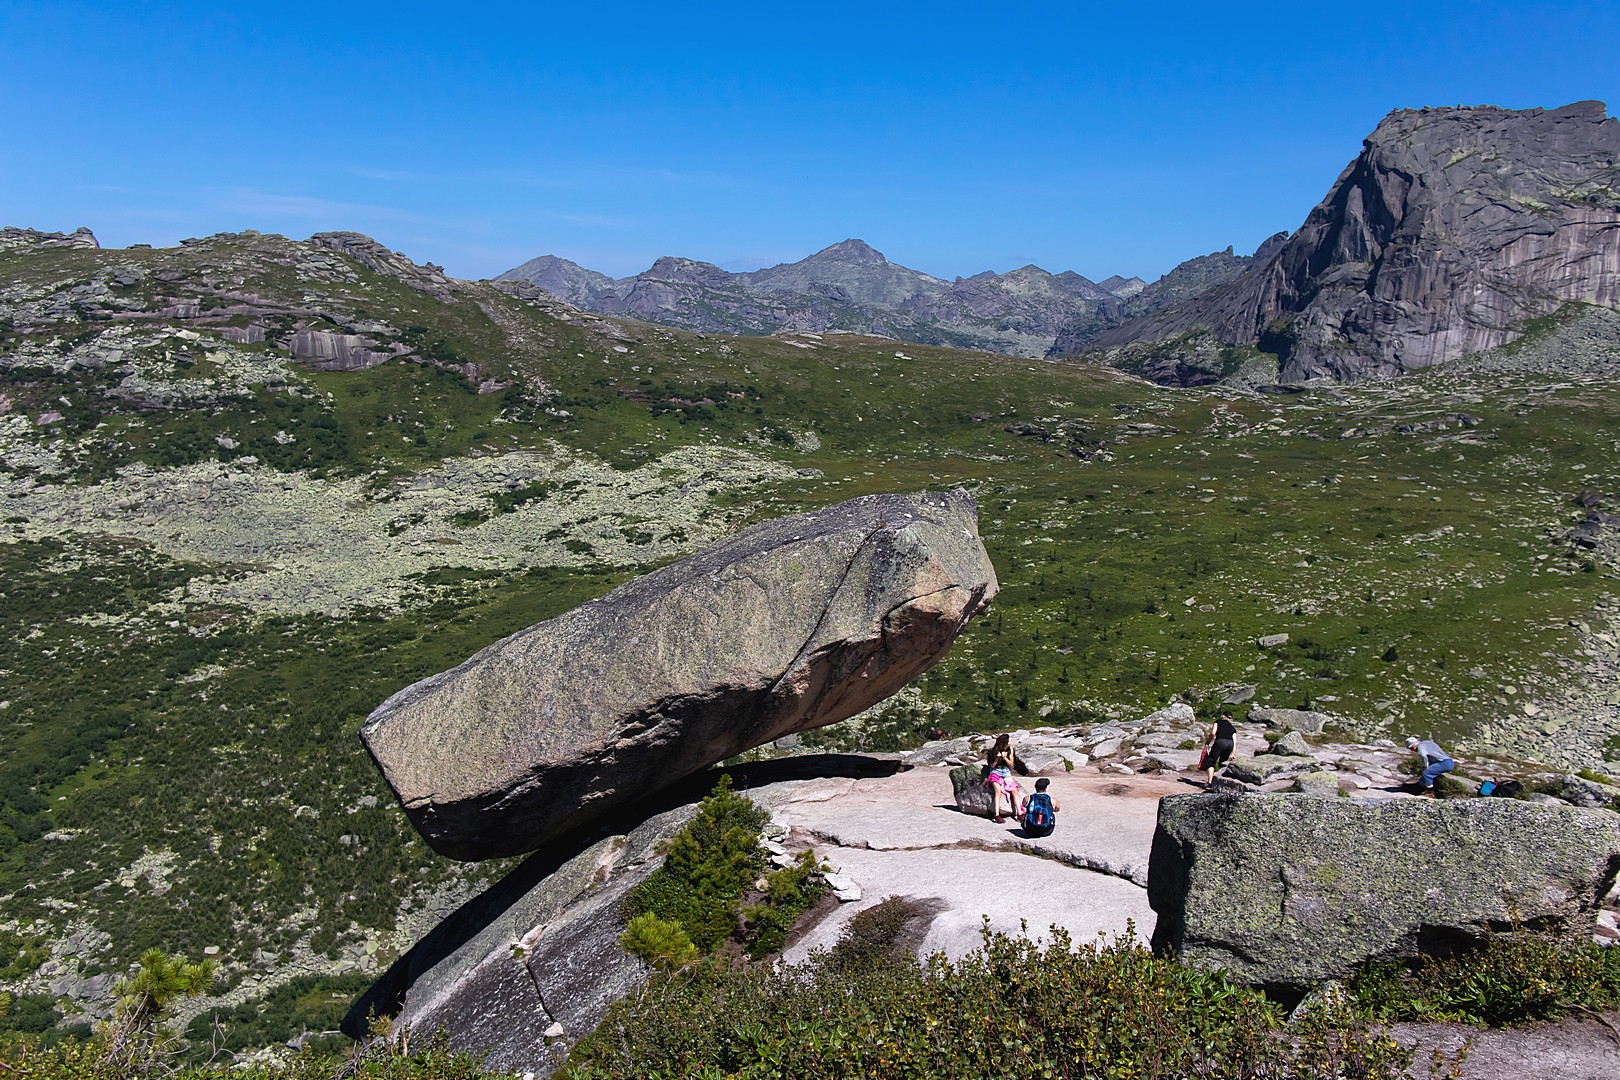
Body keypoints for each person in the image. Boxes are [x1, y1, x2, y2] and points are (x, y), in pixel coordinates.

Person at [984, 733, 1021, 823]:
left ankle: (1020, 814)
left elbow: (1011, 766)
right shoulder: (993, 751)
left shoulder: (1010, 750)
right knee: (998, 791)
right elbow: (992, 766)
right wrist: (997, 758)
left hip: (1006, 771)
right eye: (1009, 741)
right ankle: (997, 814)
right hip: (996, 771)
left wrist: (1005, 758)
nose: (1011, 742)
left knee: (1014, 790)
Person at [1204, 710, 1237, 786]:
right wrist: (1233, 753)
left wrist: (1208, 742)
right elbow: (1235, 741)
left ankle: (1210, 782)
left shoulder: (1218, 722)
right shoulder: (1232, 728)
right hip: (1230, 744)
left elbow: (1213, 733)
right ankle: (1220, 783)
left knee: (1210, 761)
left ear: (1223, 716)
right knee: (1223, 763)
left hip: (1220, 742)